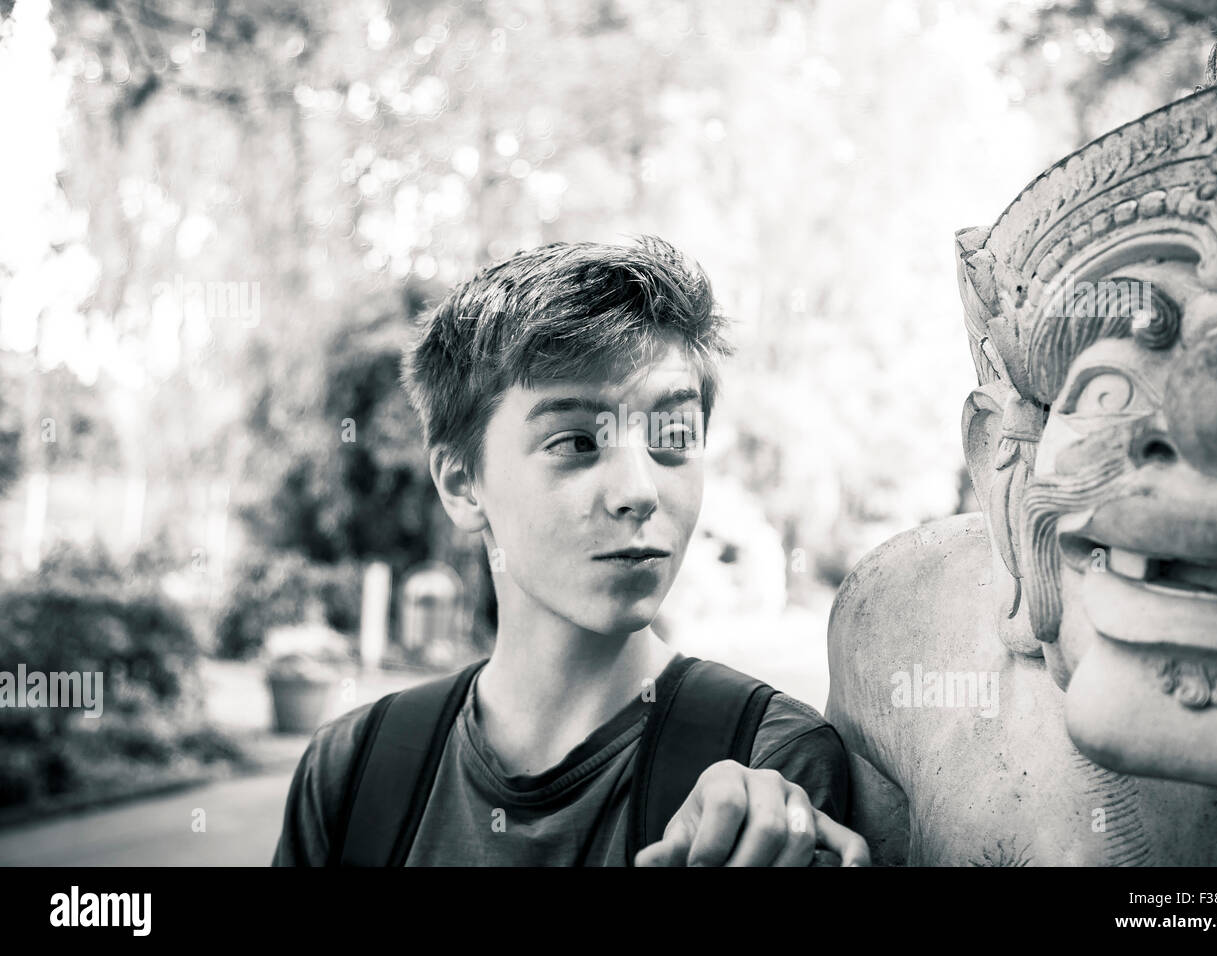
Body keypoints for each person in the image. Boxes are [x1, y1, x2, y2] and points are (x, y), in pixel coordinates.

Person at [272, 237, 870, 866]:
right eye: (576, 441)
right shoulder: (354, 772)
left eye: (672, 435)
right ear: (460, 483)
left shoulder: (768, 777)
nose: (638, 492)